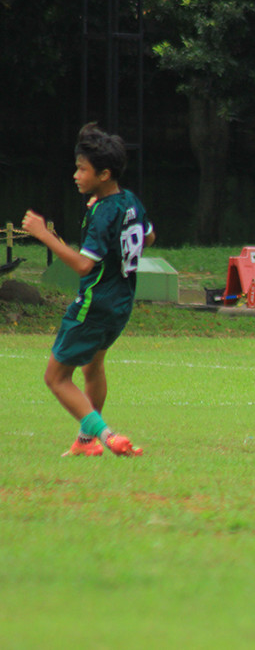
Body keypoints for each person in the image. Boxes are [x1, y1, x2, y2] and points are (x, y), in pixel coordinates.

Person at [21, 122, 155, 457]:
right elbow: (149, 237)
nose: (76, 175)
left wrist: (44, 235)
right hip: (121, 304)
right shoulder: (130, 201)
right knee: (93, 366)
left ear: (104, 174)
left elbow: (84, 265)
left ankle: (106, 436)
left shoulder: (103, 212)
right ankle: (85, 442)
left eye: (83, 169)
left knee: (55, 377)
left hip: (93, 305)